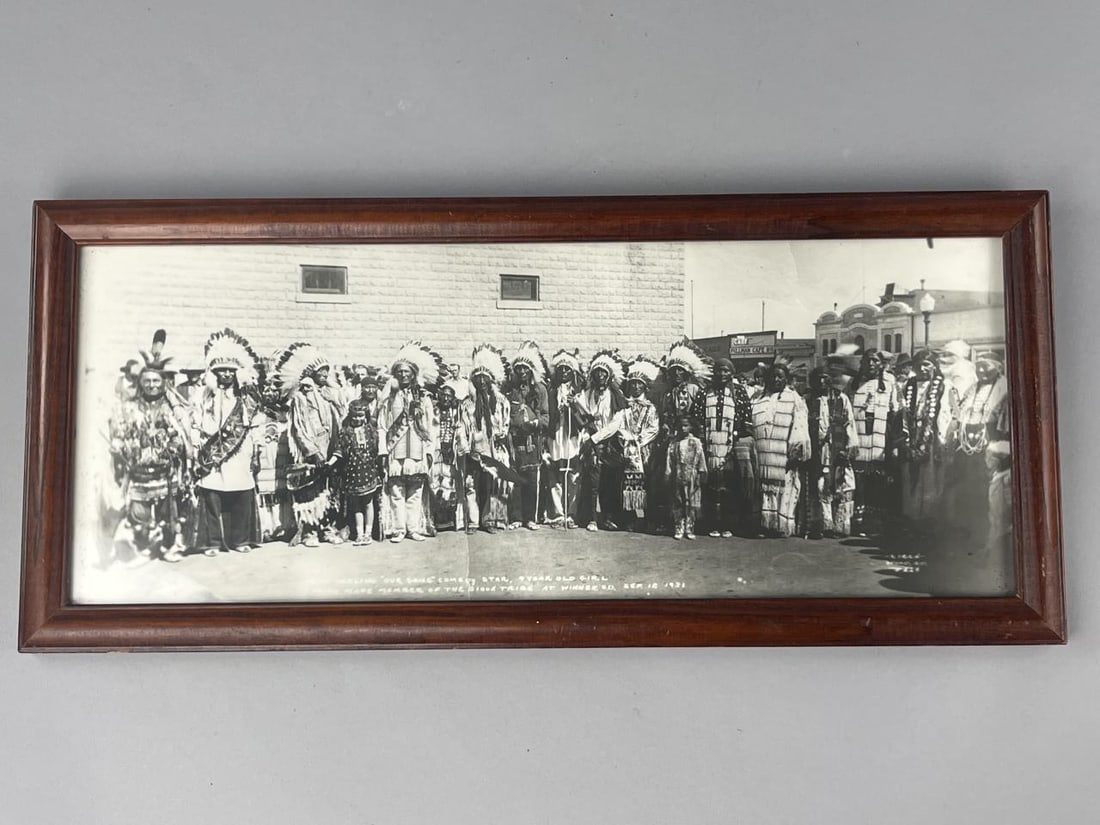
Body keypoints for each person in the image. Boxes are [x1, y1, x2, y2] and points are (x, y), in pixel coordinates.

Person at [107, 334, 191, 562]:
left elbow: (180, 437)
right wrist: (124, 448)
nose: (152, 385)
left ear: (163, 383)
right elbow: (120, 435)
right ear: (140, 383)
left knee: (168, 514)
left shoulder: (171, 408)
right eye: (148, 381)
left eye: (157, 381)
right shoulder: (129, 408)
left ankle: (167, 546)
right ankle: (143, 545)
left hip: (165, 473)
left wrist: (169, 450)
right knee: (139, 514)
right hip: (139, 473)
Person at [192, 328, 263, 556]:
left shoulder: (247, 396)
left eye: (230, 371)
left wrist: (255, 451)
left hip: (240, 452)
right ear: (214, 373)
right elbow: (196, 422)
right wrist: (198, 446)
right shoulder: (203, 394)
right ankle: (212, 541)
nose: (226, 375)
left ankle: (240, 539)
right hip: (212, 451)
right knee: (212, 495)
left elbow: (256, 425)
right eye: (221, 371)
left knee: (241, 494)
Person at [275, 343, 345, 547]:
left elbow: (338, 418)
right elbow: (298, 428)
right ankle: (309, 532)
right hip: (312, 453)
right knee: (310, 492)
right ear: (311, 374)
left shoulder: (327, 395)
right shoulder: (301, 397)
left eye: (326, 372)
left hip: (329, 449)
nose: (325, 375)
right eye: (321, 372)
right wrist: (312, 452)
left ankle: (327, 528)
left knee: (329, 491)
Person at [377, 341, 440, 543]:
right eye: (400, 372)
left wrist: (430, 450)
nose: (404, 375)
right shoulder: (387, 397)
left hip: (418, 450)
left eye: (407, 372)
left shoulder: (423, 397)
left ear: (413, 374)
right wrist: (382, 451)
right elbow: (381, 425)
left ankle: (413, 528)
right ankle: (398, 530)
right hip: (395, 450)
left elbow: (430, 425)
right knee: (396, 493)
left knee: (415, 492)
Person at [947, 349, 1010, 547]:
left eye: (986, 367)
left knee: (990, 497)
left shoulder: (1005, 388)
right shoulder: (972, 388)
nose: (981, 370)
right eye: (979, 366)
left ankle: (990, 540)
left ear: (999, 368)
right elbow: (959, 415)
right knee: (968, 491)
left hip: (991, 448)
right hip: (968, 449)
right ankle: (968, 534)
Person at [751, 360, 810, 537]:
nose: (776, 380)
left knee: (784, 490)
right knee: (763, 489)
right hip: (762, 452)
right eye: (773, 376)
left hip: (783, 453)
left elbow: (799, 427)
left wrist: (795, 451)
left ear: (786, 379)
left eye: (780, 377)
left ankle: (780, 526)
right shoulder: (757, 398)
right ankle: (764, 524)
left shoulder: (794, 398)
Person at [898, 349, 952, 534]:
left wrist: (940, 437)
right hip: (911, 433)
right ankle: (912, 516)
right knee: (910, 475)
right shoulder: (909, 384)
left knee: (929, 476)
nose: (923, 368)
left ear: (934, 366)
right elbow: (903, 410)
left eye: (927, 364)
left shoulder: (942, 386)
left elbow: (945, 413)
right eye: (919, 364)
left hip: (931, 435)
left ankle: (929, 517)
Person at [699, 356, 754, 538]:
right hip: (710, 446)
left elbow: (746, 422)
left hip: (731, 448)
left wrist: (736, 437)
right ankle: (712, 524)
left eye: (726, 371)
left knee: (730, 487)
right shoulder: (705, 391)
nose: (722, 374)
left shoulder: (739, 392)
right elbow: (697, 419)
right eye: (719, 370)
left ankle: (728, 525)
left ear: (732, 373)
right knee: (711, 487)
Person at [460, 344, 512, 533]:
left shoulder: (500, 402)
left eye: (485, 379)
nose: (481, 382)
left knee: (492, 485)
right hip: (475, 449)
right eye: (478, 378)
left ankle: (489, 520)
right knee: (471, 485)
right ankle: (474, 521)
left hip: (493, 449)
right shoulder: (467, 404)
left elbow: (505, 423)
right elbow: (463, 428)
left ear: (491, 381)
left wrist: (501, 435)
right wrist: (467, 448)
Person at [804, 362, 859, 539]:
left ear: (830, 380)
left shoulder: (841, 398)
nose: (821, 381)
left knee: (840, 485)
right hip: (817, 451)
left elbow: (849, 423)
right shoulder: (808, 399)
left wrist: (849, 448)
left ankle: (839, 524)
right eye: (818, 378)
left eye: (825, 378)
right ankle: (821, 524)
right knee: (820, 487)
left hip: (838, 449)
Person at [850, 349, 900, 536]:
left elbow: (895, 412)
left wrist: (893, 442)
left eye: (874, 361)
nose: (870, 364)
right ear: (861, 363)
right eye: (867, 361)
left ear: (881, 364)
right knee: (859, 481)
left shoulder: (890, 383)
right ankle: (858, 521)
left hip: (881, 437)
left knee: (878, 481)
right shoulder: (854, 384)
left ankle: (875, 523)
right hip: (859, 436)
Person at [576, 350, 628, 531]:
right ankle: (590, 518)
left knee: (610, 482)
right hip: (591, 440)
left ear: (609, 376)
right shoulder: (587, 394)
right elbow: (583, 414)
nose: (600, 376)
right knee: (592, 481)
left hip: (609, 443)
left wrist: (596, 438)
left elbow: (615, 423)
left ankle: (608, 517)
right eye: (597, 373)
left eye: (603, 373)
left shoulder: (615, 395)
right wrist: (588, 438)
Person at [506, 341, 550, 530]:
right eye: (519, 369)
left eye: (525, 368)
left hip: (533, 440)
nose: (522, 372)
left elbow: (546, 416)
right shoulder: (510, 390)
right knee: (515, 480)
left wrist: (536, 423)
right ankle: (516, 517)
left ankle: (530, 518)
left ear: (531, 370)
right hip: (515, 440)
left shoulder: (539, 389)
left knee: (532, 481)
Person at [328, 399, 383, 545]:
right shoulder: (346, 432)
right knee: (356, 504)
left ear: (366, 415)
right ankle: (359, 534)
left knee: (368, 502)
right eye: (355, 416)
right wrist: (330, 463)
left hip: (369, 471)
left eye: (361, 416)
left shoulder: (371, 431)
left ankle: (368, 533)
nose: (358, 419)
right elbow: (339, 450)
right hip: (353, 473)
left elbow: (377, 451)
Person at [616, 357, 661, 530]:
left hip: (645, 450)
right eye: (633, 384)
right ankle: (630, 518)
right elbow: (618, 425)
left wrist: (638, 441)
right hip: (628, 449)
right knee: (627, 483)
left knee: (648, 484)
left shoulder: (651, 408)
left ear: (644, 387)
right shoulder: (624, 407)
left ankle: (650, 518)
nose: (635, 387)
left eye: (639, 384)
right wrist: (627, 439)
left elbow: (654, 428)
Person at [545, 349, 585, 528]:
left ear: (572, 372)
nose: (564, 373)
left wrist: (574, 404)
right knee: (556, 475)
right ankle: (558, 514)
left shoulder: (579, 391)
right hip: (556, 436)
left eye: (567, 370)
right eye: (561, 369)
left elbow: (585, 415)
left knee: (573, 475)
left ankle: (572, 513)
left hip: (572, 437)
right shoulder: (551, 390)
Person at [430, 376, 469, 531]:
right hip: (436, 453)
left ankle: (450, 519)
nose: (446, 398)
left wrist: (460, 449)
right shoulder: (433, 411)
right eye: (443, 395)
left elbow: (460, 431)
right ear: (439, 396)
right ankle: (437, 519)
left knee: (450, 487)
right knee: (435, 486)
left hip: (450, 455)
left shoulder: (456, 413)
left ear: (453, 398)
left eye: (449, 396)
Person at [665, 414, 707, 540]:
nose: (683, 428)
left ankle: (690, 526)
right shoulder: (674, 443)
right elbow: (669, 459)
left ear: (691, 427)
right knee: (678, 501)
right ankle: (679, 526)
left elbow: (701, 459)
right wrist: (668, 472)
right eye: (681, 426)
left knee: (691, 502)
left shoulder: (696, 442)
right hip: (678, 475)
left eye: (686, 426)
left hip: (692, 475)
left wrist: (701, 473)